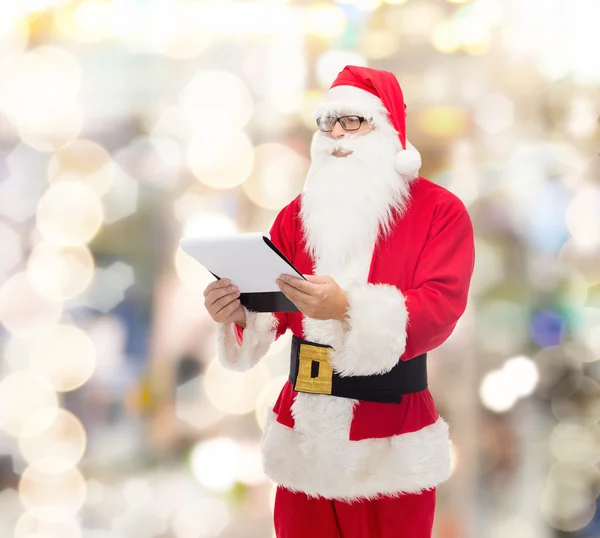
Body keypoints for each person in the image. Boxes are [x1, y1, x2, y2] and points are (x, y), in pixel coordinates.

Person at [203, 65, 475, 538]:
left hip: (390, 444)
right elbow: (271, 306)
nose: (336, 135)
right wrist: (235, 312)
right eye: (328, 123)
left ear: (387, 129)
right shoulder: (297, 216)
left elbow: (441, 306)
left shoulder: (439, 211)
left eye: (353, 121)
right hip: (303, 440)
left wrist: (349, 308)